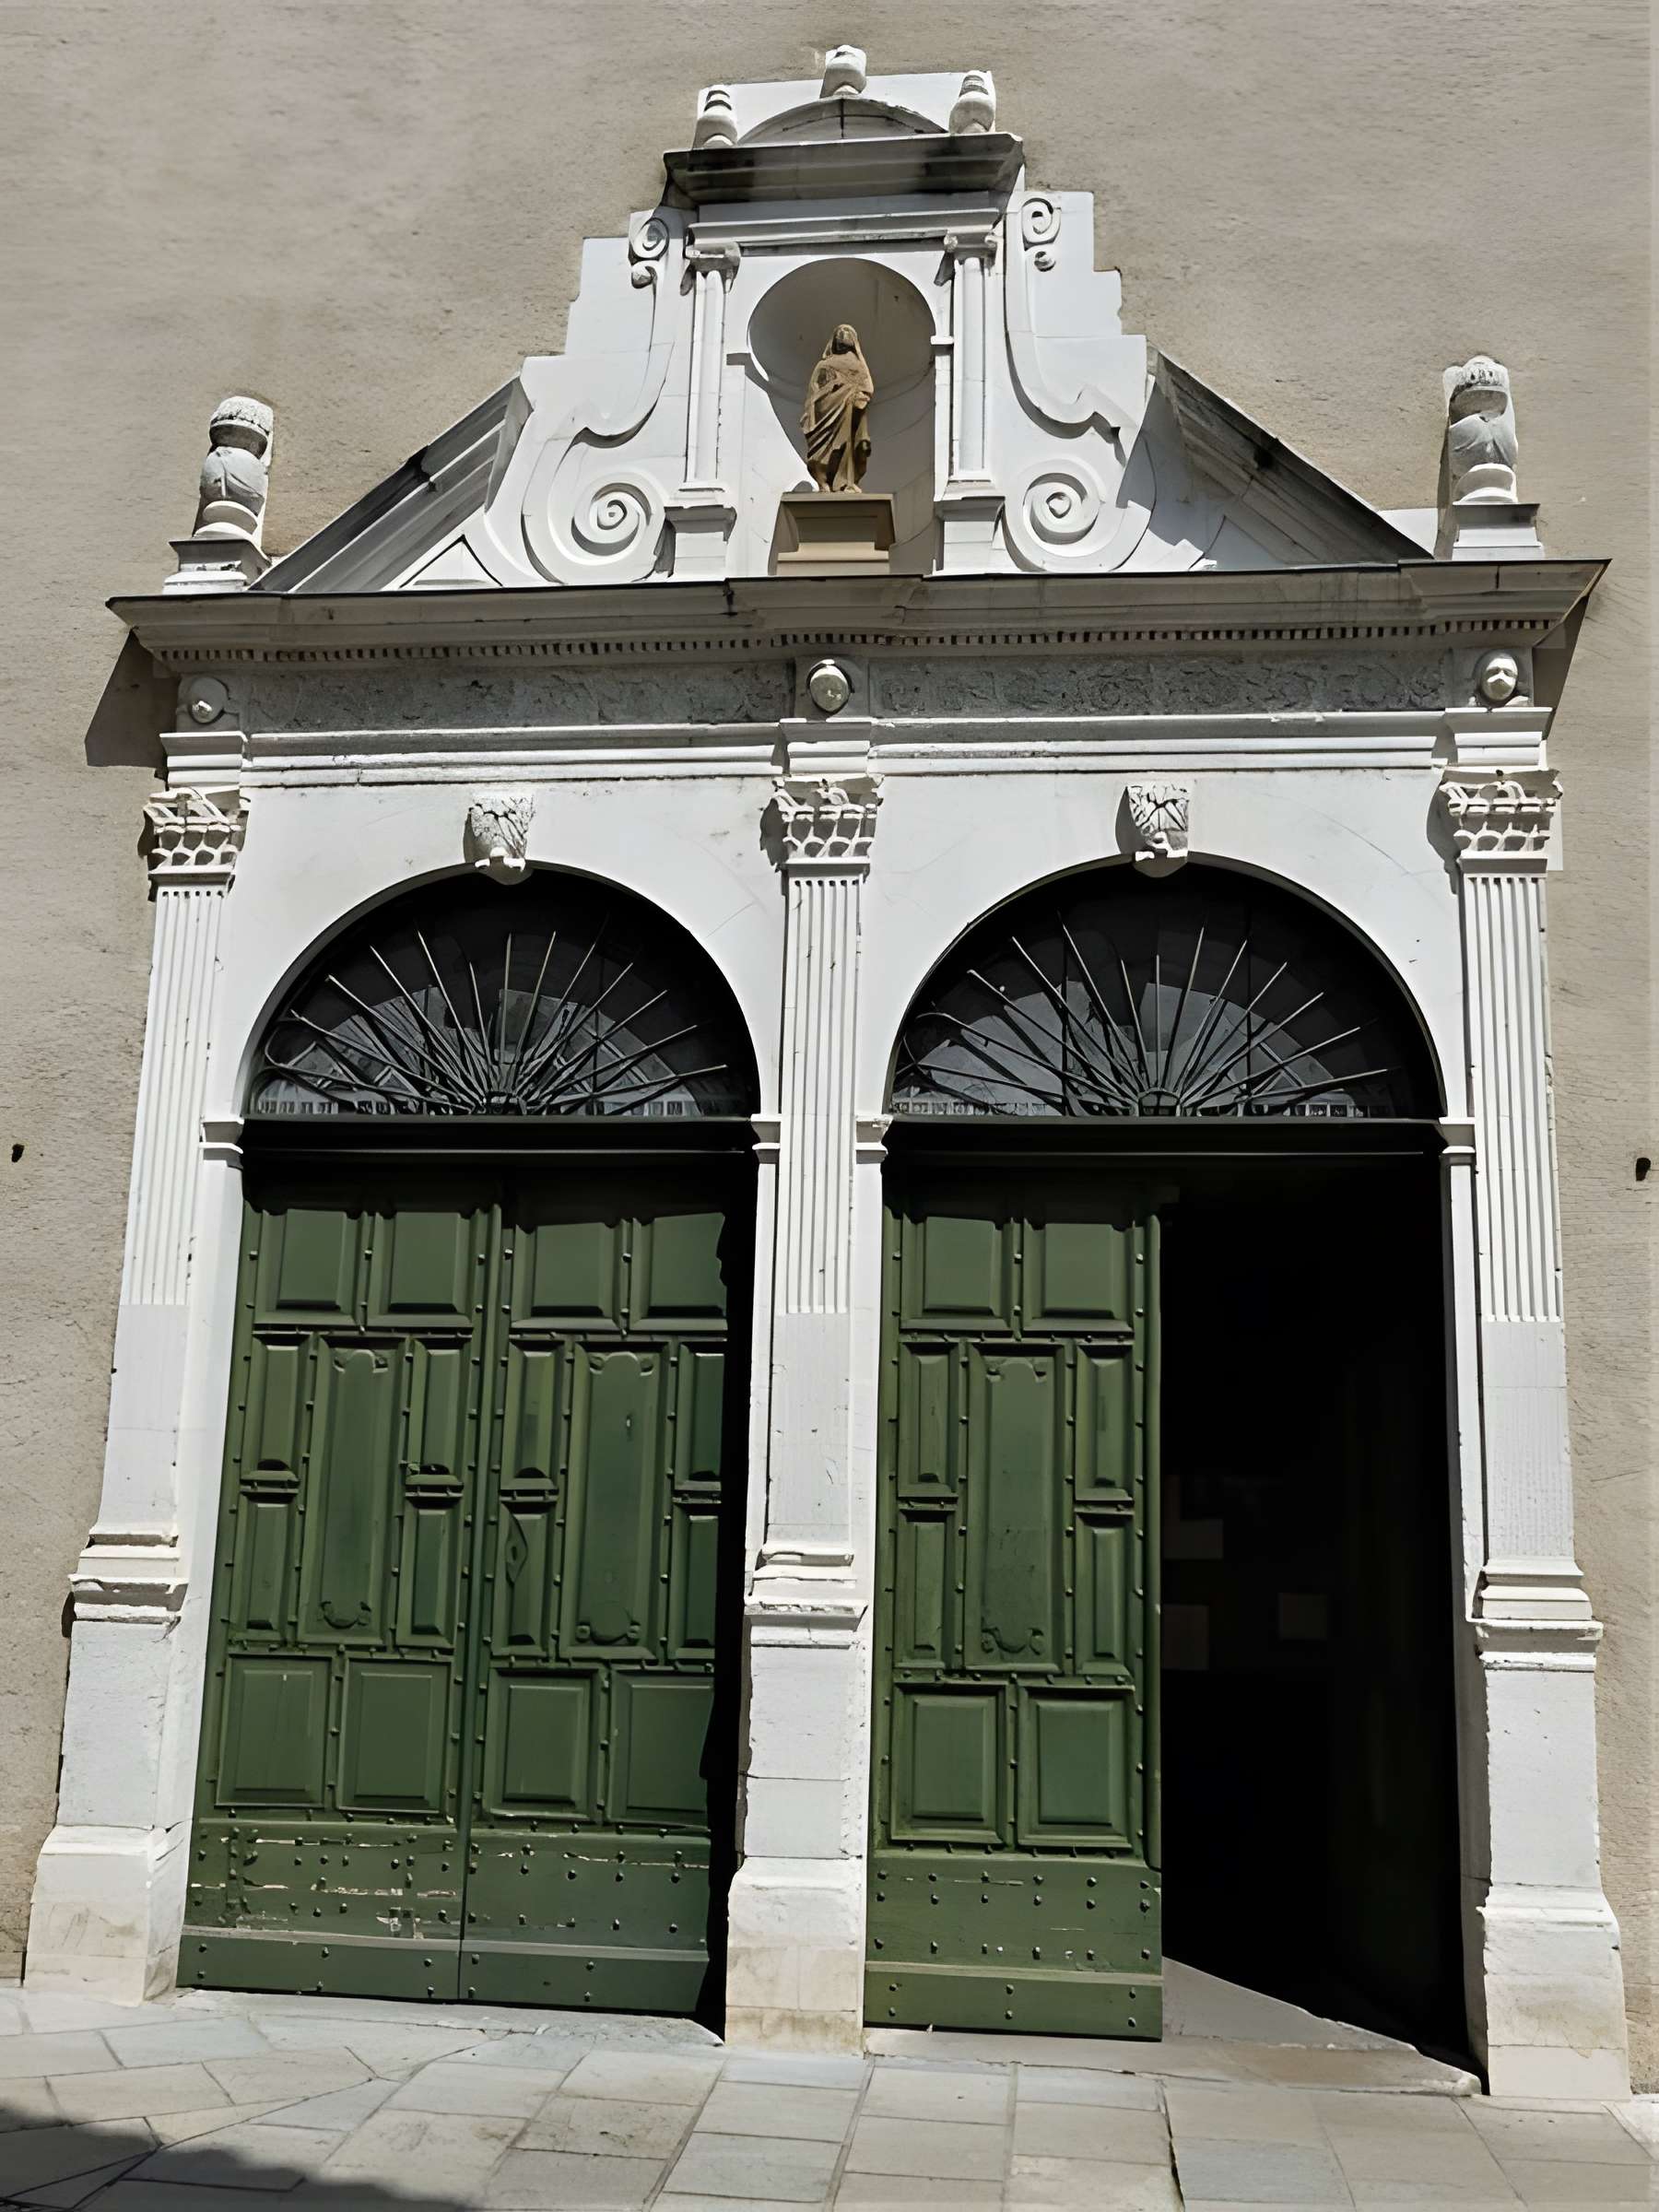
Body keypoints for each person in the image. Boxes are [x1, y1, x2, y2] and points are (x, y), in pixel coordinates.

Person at [802, 323, 874, 491]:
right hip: (827, 412)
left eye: (847, 332)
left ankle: (846, 482)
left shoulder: (858, 365)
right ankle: (824, 481)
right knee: (825, 449)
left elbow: (868, 388)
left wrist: (855, 395)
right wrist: (832, 389)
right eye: (840, 333)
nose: (843, 335)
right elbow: (814, 391)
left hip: (849, 412)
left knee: (849, 444)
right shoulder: (824, 365)